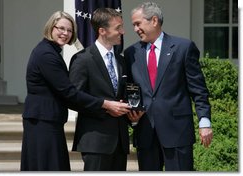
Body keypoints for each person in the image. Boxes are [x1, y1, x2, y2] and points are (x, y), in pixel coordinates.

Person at [20, 11, 130, 171]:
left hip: (50, 120)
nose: (65, 33)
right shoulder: (47, 54)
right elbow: (69, 92)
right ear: (51, 27)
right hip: (42, 121)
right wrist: (106, 104)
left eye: (69, 30)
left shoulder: (52, 52)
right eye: (61, 28)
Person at [124, 2, 213, 171]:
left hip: (177, 132)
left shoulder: (183, 47)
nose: (135, 29)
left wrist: (205, 122)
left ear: (154, 20)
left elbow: (198, 89)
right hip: (145, 133)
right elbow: (130, 90)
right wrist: (132, 118)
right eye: (133, 25)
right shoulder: (131, 53)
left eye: (138, 23)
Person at [69, 8, 129, 171]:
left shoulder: (121, 61)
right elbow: (73, 98)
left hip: (120, 142)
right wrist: (105, 106)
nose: (122, 32)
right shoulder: (82, 59)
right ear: (102, 31)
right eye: (118, 28)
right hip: (95, 141)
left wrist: (133, 112)